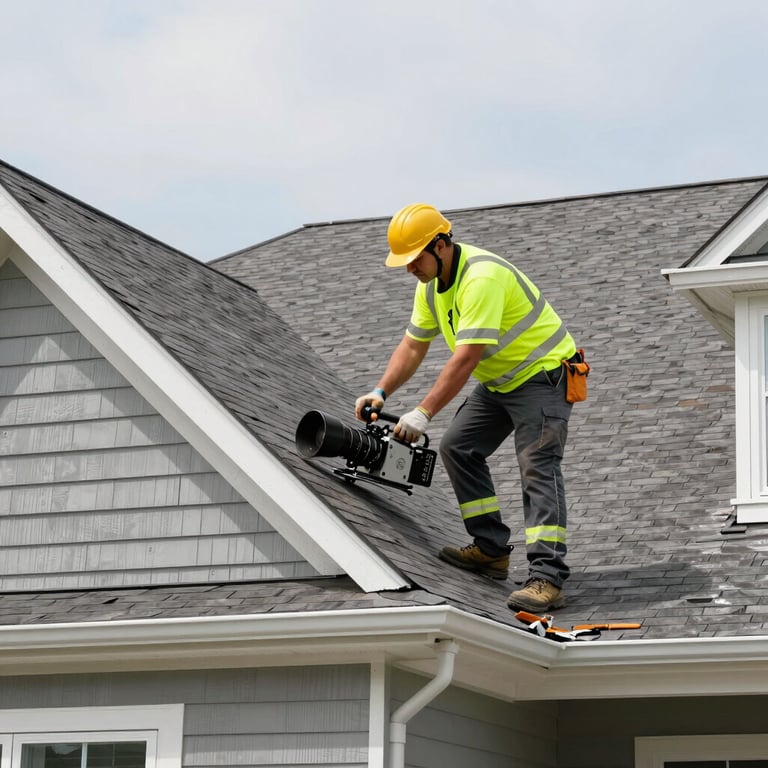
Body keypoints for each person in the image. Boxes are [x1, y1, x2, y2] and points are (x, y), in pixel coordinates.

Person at [355, 203, 580, 612]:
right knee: (457, 448)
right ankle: (491, 549)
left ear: (440, 245)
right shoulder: (429, 286)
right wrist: (381, 391)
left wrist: (422, 413)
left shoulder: (482, 277)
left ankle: (547, 578)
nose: (409, 269)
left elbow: (466, 357)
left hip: (545, 376)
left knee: (537, 466)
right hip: (500, 381)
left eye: (414, 259)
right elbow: (412, 345)